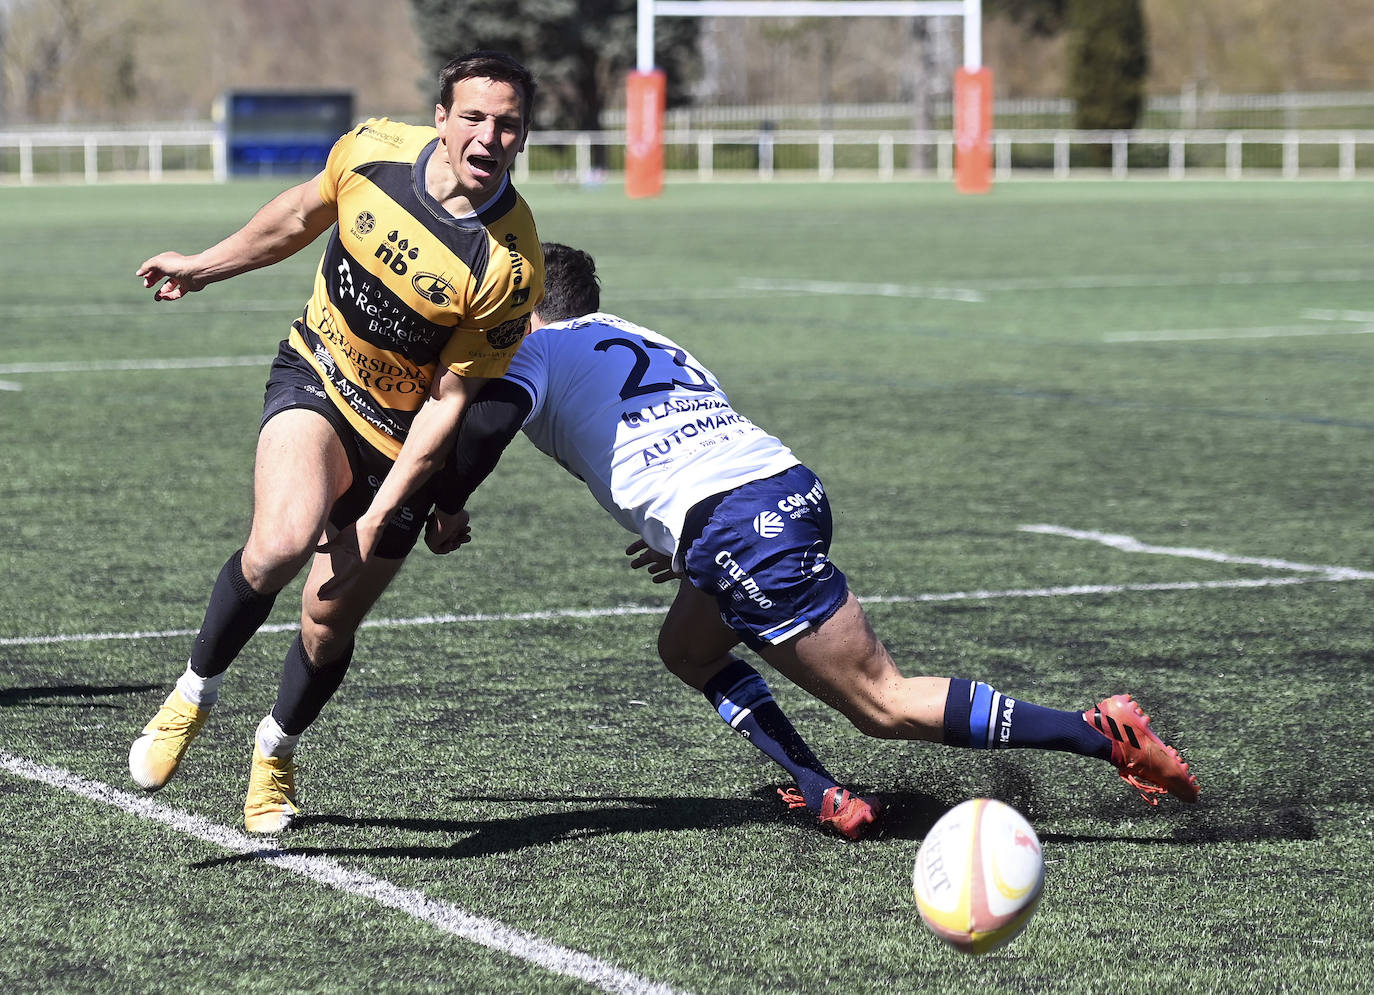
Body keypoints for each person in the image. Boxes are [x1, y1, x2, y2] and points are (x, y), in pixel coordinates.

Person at [425, 243, 1200, 839]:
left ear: (530, 308)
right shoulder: (646, 335)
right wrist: (682, 535)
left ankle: (1101, 735)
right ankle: (823, 789)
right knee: (687, 649)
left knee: (882, 702)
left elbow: (488, 424)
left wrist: (448, 504)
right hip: (780, 489)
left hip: (737, 522)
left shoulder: (534, 349)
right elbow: (687, 431)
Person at [128, 50, 545, 834]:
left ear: (523, 136)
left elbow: (447, 407)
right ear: (441, 120)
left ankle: (274, 751)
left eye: (508, 124)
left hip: (402, 442)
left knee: (326, 623)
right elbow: (298, 215)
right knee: (278, 544)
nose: (489, 137)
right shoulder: (372, 151)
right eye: (474, 118)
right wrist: (205, 266)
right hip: (318, 377)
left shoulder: (510, 266)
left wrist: (377, 517)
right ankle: (193, 694)